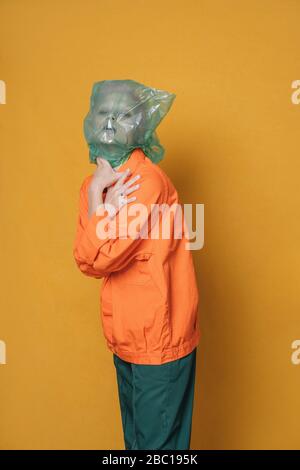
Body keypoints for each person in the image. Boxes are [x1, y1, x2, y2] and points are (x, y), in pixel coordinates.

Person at [73, 79, 200, 450]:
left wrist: (99, 203)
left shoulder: (147, 183)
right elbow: (85, 257)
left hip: (159, 339)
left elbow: (99, 257)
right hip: (126, 340)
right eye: (102, 111)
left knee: (155, 449)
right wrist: (99, 195)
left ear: (143, 124)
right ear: (90, 119)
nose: (110, 120)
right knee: (137, 445)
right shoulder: (94, 184)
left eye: (124, 113)